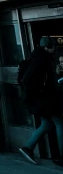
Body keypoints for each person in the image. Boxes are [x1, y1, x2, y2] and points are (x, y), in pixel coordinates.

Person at [19, 36, 63, 166]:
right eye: (53, 46)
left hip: (40, 100)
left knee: (47, 124)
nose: (55, 49)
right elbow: (29, 80)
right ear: (47, 47)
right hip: (44, 100)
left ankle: (28, 147)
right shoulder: (41, 60)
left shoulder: (38, 58)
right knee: (59, 123)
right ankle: (62, 155)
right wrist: (42, 92)